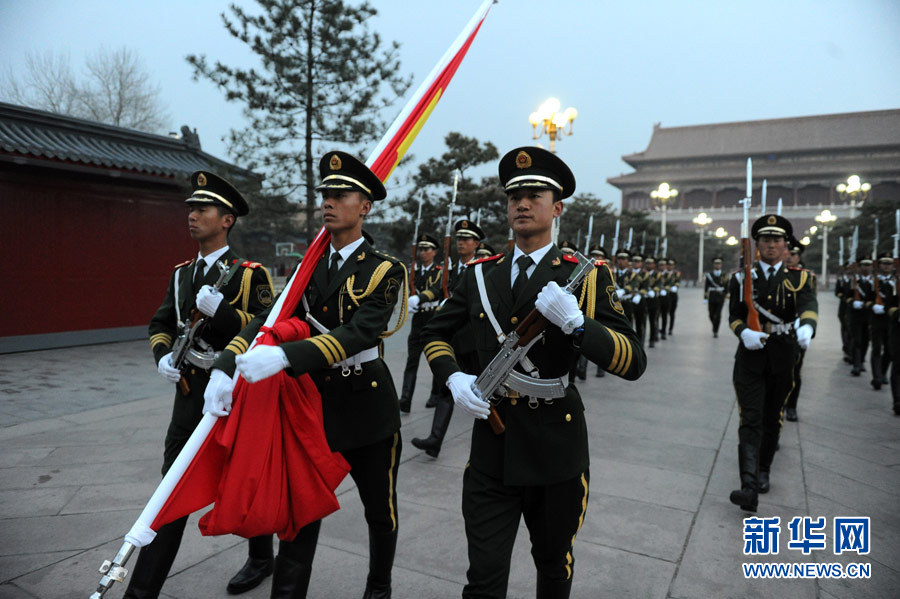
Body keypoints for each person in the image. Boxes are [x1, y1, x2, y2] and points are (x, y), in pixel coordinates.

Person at [421, 146, 646, 598]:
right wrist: (452, 376)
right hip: (493, 450)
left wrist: (579, 325)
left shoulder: (586, 276)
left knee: (553, 566)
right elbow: (435, 333)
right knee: (482, 578)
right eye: (514, 196)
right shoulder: (480, 275)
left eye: (535, 195)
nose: (522, 204)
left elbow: (632, 360)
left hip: (555, 448)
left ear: (557, 208)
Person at [204, 151, 406, 598]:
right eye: (325, 195)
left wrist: (286, 358)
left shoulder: (385, 267)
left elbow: (359, 332)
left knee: (380, 509)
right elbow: (267, 318)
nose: (329, 202)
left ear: (366, 206)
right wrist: (226, 365)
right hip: (313, 406)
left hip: (366, 404)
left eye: (341, 194)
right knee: (299, 512)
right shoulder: (307, 266)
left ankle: (379, 587)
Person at [135, 171, 275, 598]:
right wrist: (162, 357)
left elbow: (264, 328)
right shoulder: (181, 275)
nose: (192, 216)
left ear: (227, 219)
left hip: (233, 393)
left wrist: (226, 316)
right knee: (171, 486)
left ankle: (261, 556)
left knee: (246, 479)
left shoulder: (249, 274)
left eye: (202, 209)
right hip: (188, 394)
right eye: (190, 209)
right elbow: (161, 322)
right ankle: (141, 590)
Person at [727, 214, 817, 512]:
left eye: (777, 239)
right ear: (757, 244)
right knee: (750, 417)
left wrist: (807, 325)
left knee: (772, 415)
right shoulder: (741, 278)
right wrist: (743, 333)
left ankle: (764, 468)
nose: (771, 244)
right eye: (765, 239)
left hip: (782, 354)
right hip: (751, 356)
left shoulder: (799, 278)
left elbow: (808, 305)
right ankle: (749, 484)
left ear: (786, 245)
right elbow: (735, 316)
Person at [411, 219, 485, 457]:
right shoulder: (452, 270)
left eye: (466, 239)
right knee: (448, 386)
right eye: (459, 239)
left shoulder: (484, 267)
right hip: (454, 337)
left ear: (476, 244)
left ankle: (495, 440)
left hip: (475, 340)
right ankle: (434, 440)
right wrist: (424, 298)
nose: (461, 243)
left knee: (485, 392)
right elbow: (441, 289)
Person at [398, 233, 443, 412]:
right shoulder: (413, 271)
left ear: (434, 252)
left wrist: (420, 298)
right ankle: (405, 399)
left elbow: (437, 289)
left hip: (433, 318)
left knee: (435, 359)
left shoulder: (440, 271)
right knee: (412, 361)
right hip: (418, 320)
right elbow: (407, 290)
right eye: (421, 249)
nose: (423, 252)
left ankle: (435, 394)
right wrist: (409, 301)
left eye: (427, 249)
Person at [783, 238, 816, 421]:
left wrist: (806, 324)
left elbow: (810, 302)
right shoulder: (775, 273)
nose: (790, 257)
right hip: (778, 329)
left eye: (794, 254)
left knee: (795, 370)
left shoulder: (806, 277)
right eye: (788, 252)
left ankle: (792, 406)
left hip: (797, 328)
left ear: (799, 256)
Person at [870, 253, 895, 390]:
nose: (886, 266)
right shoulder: (874, 281)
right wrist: (872, 305)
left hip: (890, 320)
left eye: (889, 264)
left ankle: (883, 372)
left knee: (889, 350)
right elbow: (865, 298)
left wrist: (886, 308)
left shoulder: (896, 282)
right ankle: (876, 376)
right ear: (879, 265)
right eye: (884, 263)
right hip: (876, 320)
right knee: (877, 348)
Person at [847, 255, 875, 377]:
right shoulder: (853, 281)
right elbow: (846, 296)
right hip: (855, 315)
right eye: (864, 265)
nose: (866, 268)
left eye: (869, 265)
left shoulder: (875, 282)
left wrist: (867, 304)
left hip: (869, 315)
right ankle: (856, 365)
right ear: (860, 266)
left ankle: (862, 360)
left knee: (865, 340)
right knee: (857, 340)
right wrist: (853, 302)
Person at [704, 257, 729, 337]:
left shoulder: (724, 275)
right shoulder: (710, 275)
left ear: (721, 265)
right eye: (716, 264)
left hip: (720, 296)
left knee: (718, 314)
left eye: (719, 264)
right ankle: (715, 325)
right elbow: (706, 286)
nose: (717, 265)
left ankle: (715, 331)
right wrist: (705, 297)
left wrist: (726, 295)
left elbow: (727, 286)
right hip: (712, 296)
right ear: (713, 265)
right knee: (711, 314)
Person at [644, 256, 661, 348]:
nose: (648, 265)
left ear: (654, 265)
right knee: (642, 321)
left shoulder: (657, 274)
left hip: (653, 299)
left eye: (650, 263)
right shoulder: (642, 273)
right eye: (647, 263)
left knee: (653, 320)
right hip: (643, 299)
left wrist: (654, 290)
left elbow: (659, 284)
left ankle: (652, 339)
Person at [666, 258, 681, 335]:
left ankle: (670, 329)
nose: (670, 267)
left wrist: (675, 286)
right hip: (665, 295)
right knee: (664, 313)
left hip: (673, 295)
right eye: (668, 265)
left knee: (672, 313)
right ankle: (663, 329)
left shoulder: (676, 273)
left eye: (671, 265)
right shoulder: (663, 273)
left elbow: (678, 282)